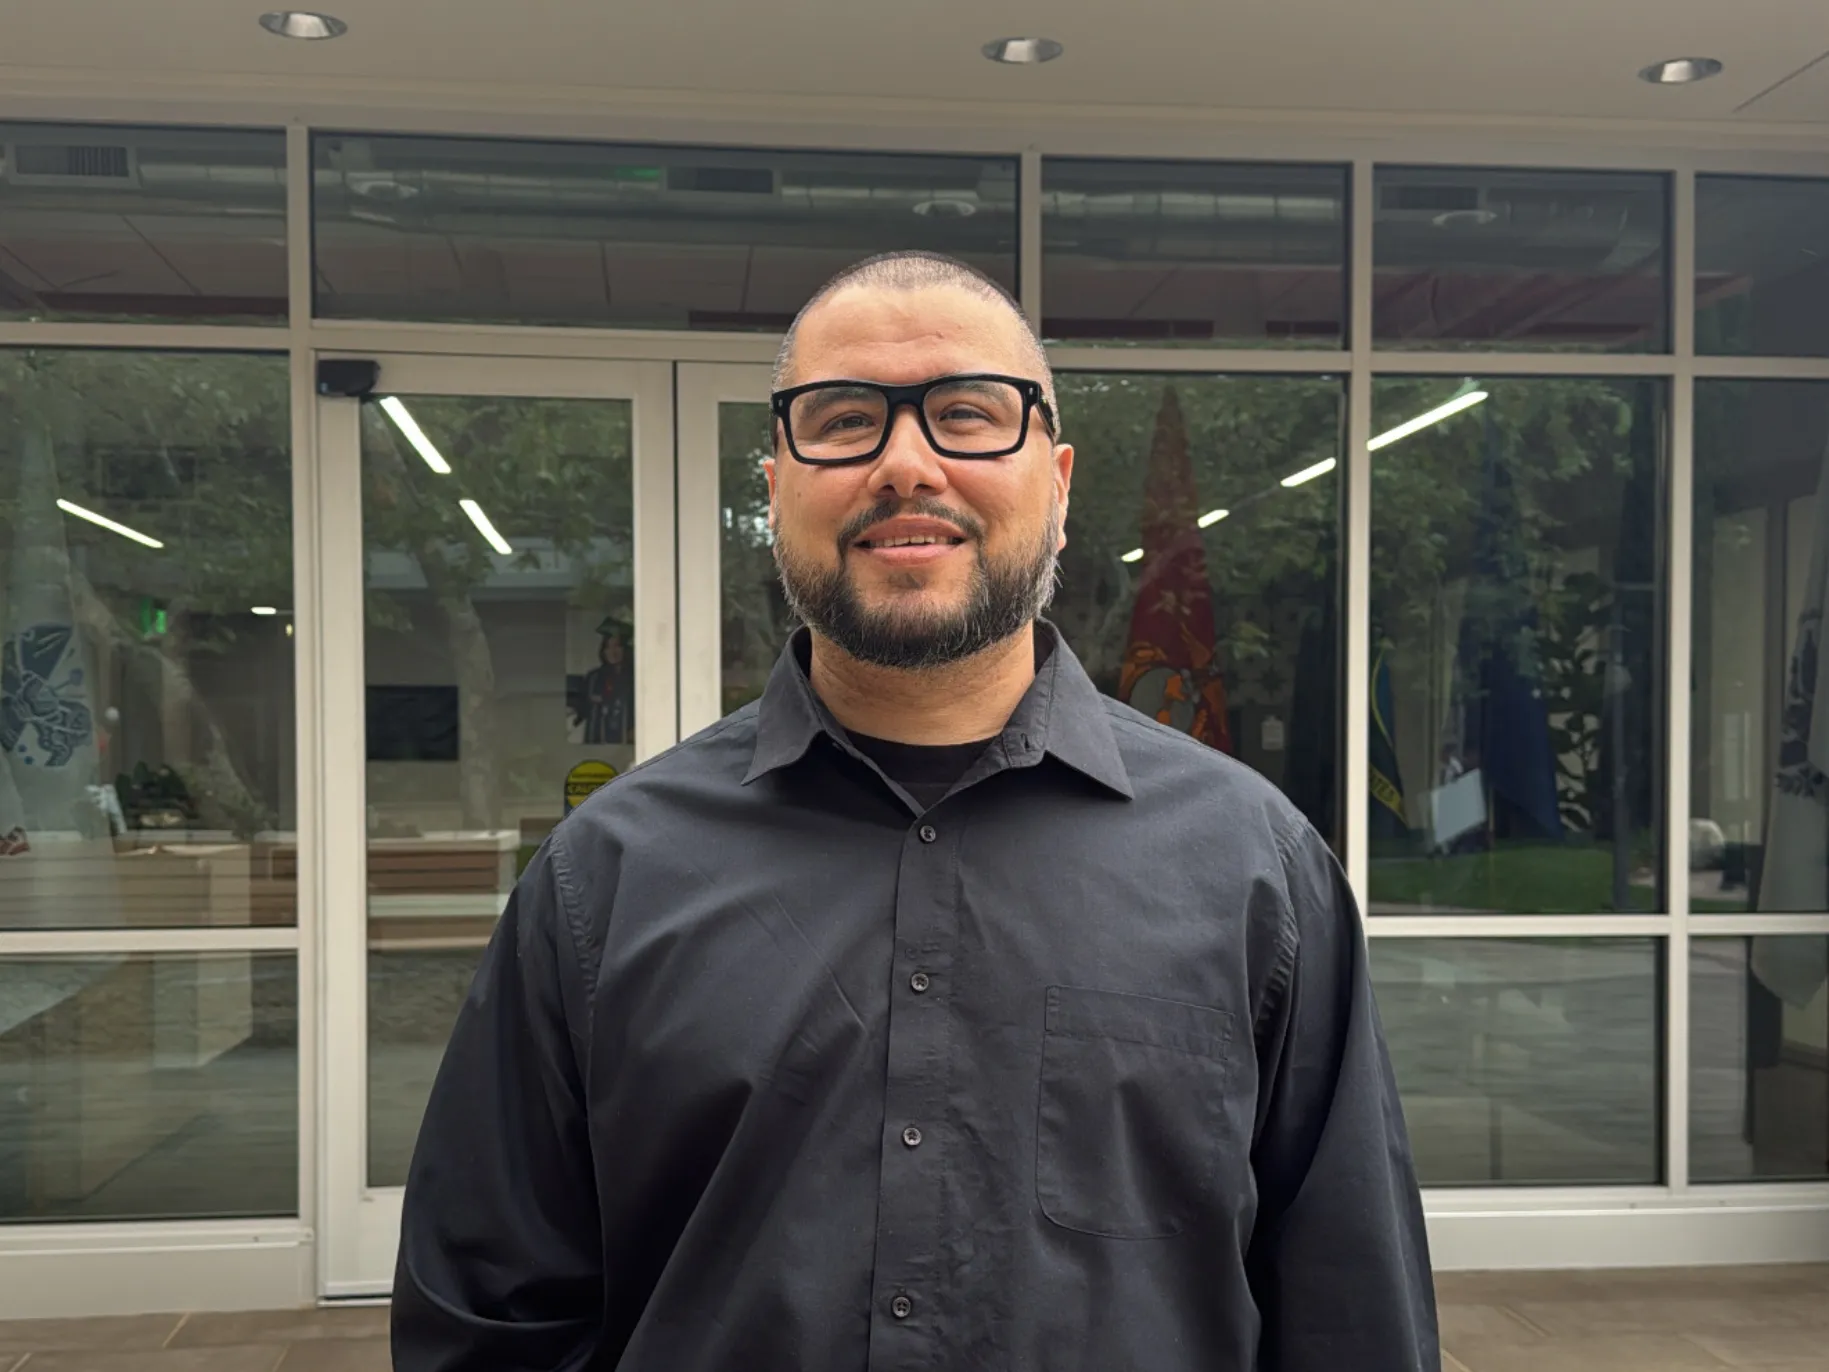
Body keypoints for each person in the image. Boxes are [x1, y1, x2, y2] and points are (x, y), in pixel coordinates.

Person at [392, 250, 1438, 1371]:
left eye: (966, 414)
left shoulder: (1253, 870)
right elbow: (489, 1315)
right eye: (843, 420)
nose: (905, 463)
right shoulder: (601, 878)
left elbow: (1348, 1312)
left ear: (1060, 479)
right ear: (775, 486)